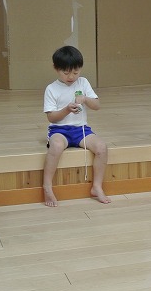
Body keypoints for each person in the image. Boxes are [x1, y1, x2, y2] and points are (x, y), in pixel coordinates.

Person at [43, 46, 110, 207]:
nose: (71, 77)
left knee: (102, 147)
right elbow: (51, 117)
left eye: (75, 72)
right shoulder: (51, 89)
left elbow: (97, 105)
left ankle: (97, 186)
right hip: (59, 130)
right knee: (56, 146)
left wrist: (85, 99)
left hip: (81, 129)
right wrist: (66, 109)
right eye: (66, 73)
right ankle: (47, 186)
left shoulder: (83, 82)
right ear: (56, 68)